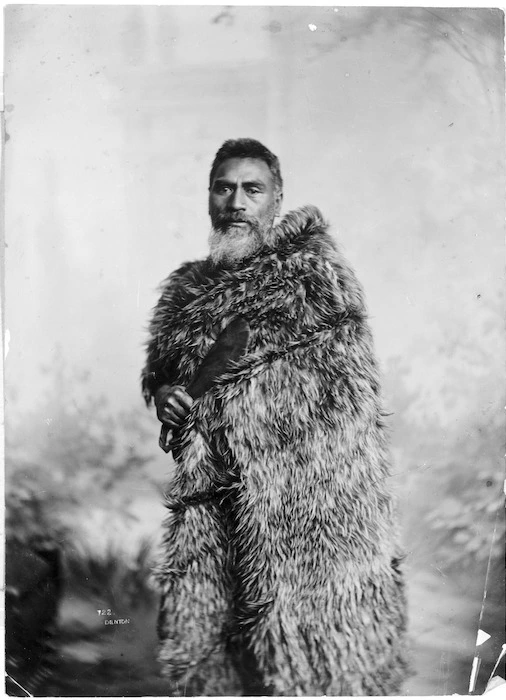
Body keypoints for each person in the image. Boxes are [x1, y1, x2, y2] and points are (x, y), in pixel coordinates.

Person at [142, 138, 408, 696]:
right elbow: (162, 378)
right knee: (218, 664)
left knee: (311, 667)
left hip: (306, 515)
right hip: (212, 515)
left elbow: (347, 397)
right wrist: (168, 392)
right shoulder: (185, 293)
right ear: (209, 198)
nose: (236, 201)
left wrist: (248, 421)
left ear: (276, 199)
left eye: (252, 189)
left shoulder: (316, 277)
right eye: (224, 188)